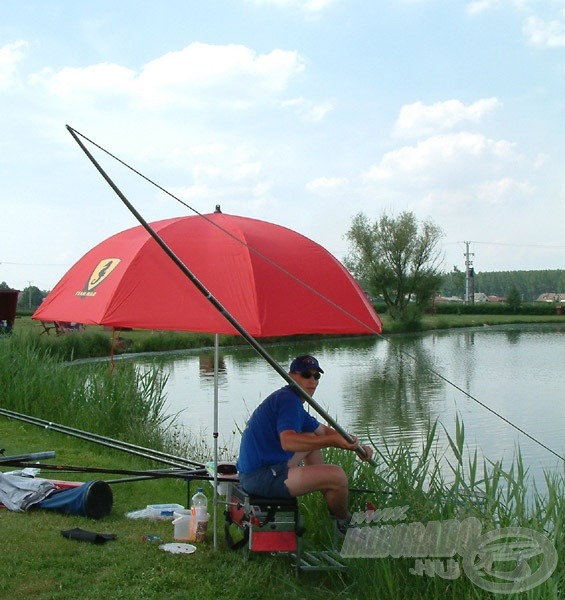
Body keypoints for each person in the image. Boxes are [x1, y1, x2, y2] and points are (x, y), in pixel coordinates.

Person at [236, 354, 373, 533]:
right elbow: (288, 442)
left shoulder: (290, 399)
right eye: (306, 375)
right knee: (337, 475)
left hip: (260, 471)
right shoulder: (288, 401)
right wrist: (332, 441)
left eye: (317, 376)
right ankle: (344, 523)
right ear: (291, 376)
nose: (313, 381)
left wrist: (355, 445)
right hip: (262, 477)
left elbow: (321, 431)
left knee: (311, 439)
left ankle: (328, 488)